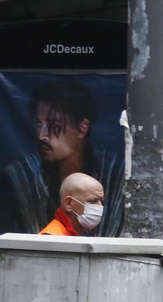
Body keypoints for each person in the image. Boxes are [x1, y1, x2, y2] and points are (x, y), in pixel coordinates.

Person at [1, 80, 125, 236]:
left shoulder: (116, 172)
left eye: (54, 125)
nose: (42, 135)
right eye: (39, 124)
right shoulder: (20, 176)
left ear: (82, 128)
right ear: (68, 203)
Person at [39, 173, 105, 236]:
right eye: (93, 201)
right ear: (69, 204)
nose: (100, 206)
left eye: (101, 201)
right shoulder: (50, 238)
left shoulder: (87, 232)